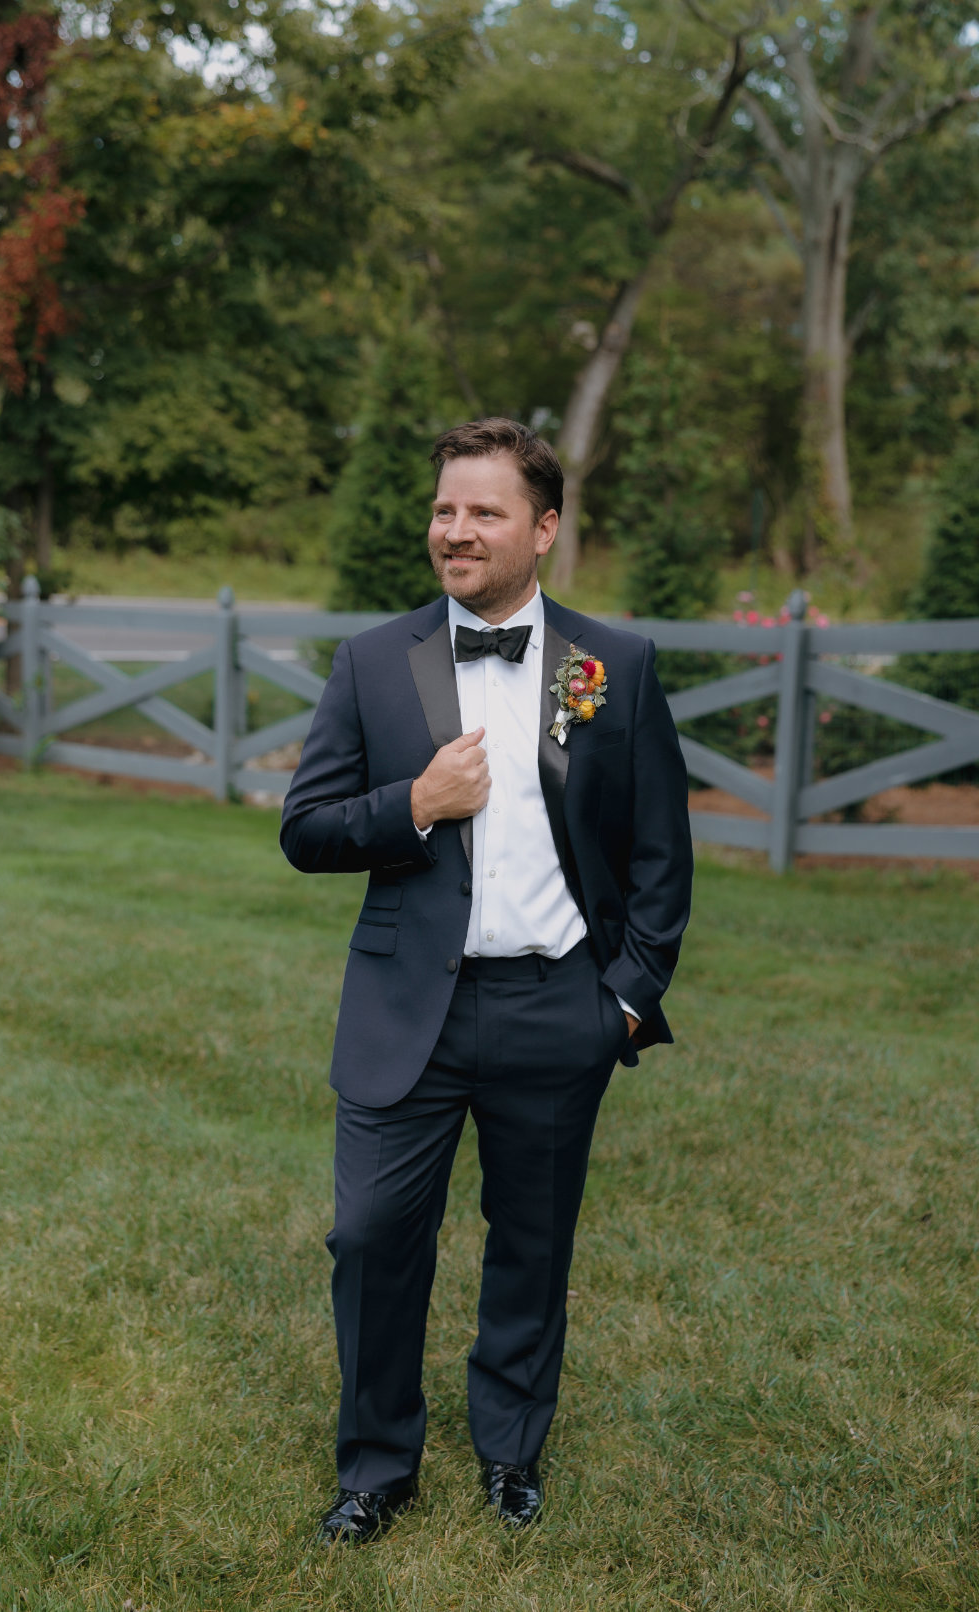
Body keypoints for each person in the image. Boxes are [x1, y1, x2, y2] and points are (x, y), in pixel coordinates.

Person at [280, 417, 693, 1543]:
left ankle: (511, 1450)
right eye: (443, 509)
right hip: (404, 1005)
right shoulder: (375, 661)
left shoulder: (609, 667)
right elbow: (305, 829)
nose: (454, 531)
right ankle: (377, 1467)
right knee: (371, 1238)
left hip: (558, 1005)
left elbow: (660, 856)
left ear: (543, 528)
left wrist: (623, 997)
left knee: (532, 1242)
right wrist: (414, 805)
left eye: (483, 512)